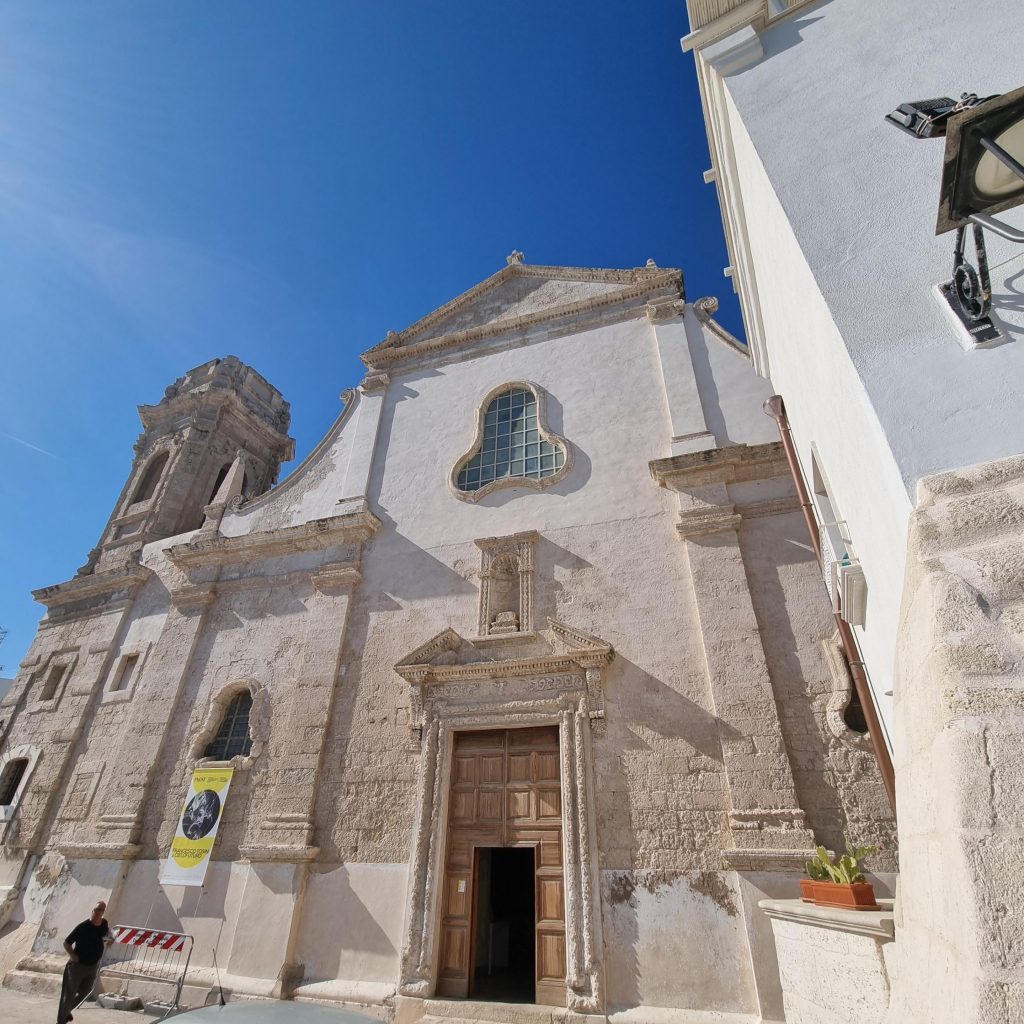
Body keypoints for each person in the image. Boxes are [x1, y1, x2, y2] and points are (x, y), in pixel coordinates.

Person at [57, 900, 113, 1024]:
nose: (98, 912)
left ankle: (66, 1012)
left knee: (85, 993)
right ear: (92, 910)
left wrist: (110, 939)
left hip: (92, 966)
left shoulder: (104, 924)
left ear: (104, 912)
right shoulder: (82, 927)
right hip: (77, 966)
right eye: (97, 909)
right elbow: (67, 943)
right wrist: (73, 955)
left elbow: (108, 934)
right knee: (68, 995)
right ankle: (61, 1021)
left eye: (101, 910)